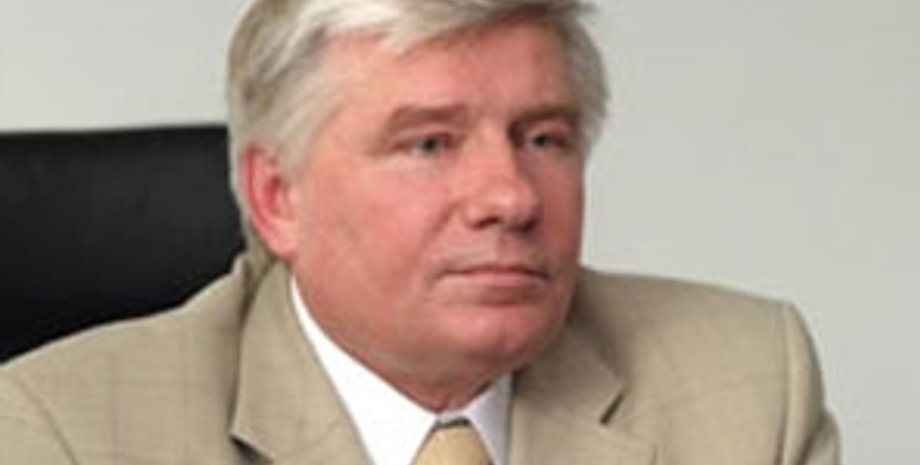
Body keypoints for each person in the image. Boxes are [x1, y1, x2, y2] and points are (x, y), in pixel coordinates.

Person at [0, 0, 840, 463]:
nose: (510, 196)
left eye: (544, 137)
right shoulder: (63, 433)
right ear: (278, 197)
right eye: (430, 143)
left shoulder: (748, 383)